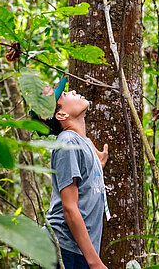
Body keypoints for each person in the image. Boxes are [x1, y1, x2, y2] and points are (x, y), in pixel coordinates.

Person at [43, 76, 110, 269]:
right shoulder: (68, 142)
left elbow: (83, 185)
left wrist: (97, 166)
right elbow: (69, 208)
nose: (73, 92)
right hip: (65, 247)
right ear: (61, 115)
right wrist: (94, 261)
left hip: (76, 249)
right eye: (65, 94)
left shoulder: (82, 143)